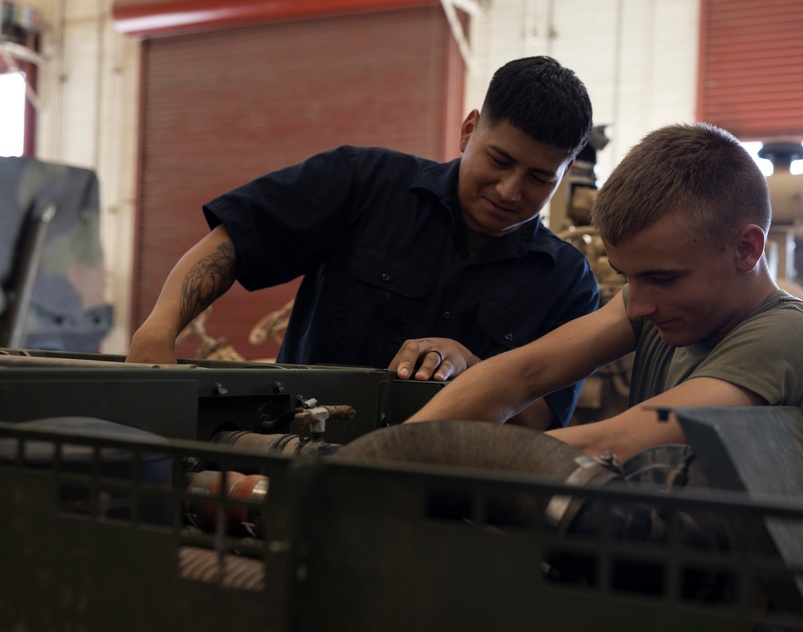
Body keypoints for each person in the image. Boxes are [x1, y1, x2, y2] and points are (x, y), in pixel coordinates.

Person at [126, 56, 601, 430]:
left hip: (447, 495)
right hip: (298, 454)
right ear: (469, 129)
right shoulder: (362, 181)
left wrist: (476, 369)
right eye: (499, 161)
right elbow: (234, 242)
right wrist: (158, 330)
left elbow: (542, 420)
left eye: (540, 178)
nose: (509, 190)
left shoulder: (567, 283)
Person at [406, 122, 803, 461]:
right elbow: (521, 374)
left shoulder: (789, 335)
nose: (639, 306)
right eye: (627, 276)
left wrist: (419, 457)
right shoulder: (656, 304)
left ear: (746, 248)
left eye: (663, 278)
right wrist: (385, 452)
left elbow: (618, 442)